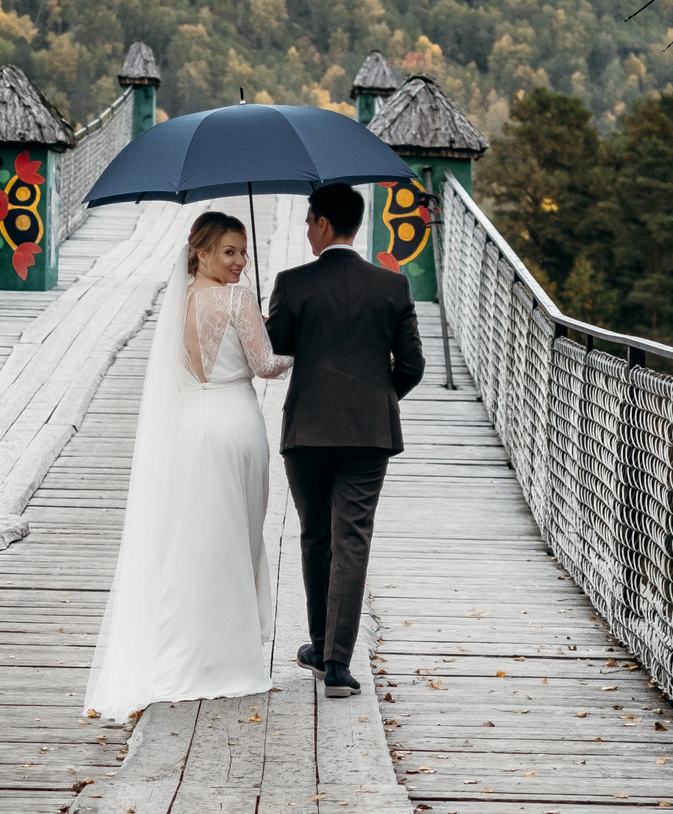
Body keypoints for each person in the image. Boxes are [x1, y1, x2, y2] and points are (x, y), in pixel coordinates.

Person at [83, 209, 293, 721]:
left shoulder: (179, 302)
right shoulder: (238, 299)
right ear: (199, 251)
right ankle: (227, 658)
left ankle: (180, 652)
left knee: (191, 539)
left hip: (189, 426)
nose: (241, 261)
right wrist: (298, 351)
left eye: (243, 252)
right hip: (234, 422)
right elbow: (265, 367)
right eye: (229, 251)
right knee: (237, 536)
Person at [265, 183, 424, 698]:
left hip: (307, 431)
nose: (305, 229)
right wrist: (380, 396)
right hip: (369, 433)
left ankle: (317, 641)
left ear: (325, 224)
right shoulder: (393, 287)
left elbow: (274, 351)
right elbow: (414, 366)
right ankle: (336, 663)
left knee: (315, 536)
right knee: (351, 540)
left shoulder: (292, 283)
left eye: (309, 220)